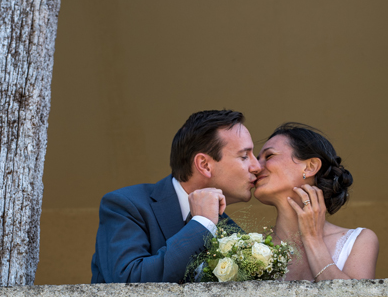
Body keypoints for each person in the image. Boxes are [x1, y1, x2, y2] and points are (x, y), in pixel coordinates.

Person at [91, 110, 261, 283]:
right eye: (244, 156)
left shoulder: (233, 232)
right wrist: (202, 224)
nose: (257, 167)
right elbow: (127, 281)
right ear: (204, 165)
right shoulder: (126, 206)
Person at [255, 122, 378, 281]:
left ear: (310, 167)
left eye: (269, 156)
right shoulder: (249, 248)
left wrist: (312, 239)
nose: (256, 167)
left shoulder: (359, 241)